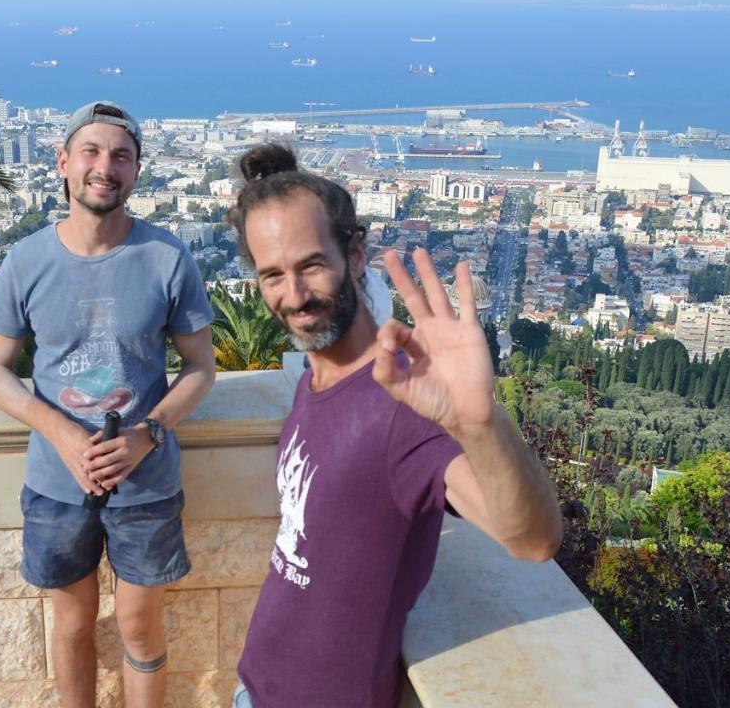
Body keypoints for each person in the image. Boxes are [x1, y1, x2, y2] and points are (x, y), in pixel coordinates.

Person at [228, 144, 562, 708]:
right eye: (272, 276)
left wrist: (478, 421)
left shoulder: (404, 405)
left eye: (311, 266)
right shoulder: (315, 382)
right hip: (255, 687)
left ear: (355, 256)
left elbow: (532, 540)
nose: (295, 296)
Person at [0, 100, 215, 708]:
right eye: (91, 151)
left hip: (146, 482)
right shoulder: (26, 261)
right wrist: (59, 432)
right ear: (63, 162)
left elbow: (200, 367)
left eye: (120, 156)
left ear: (136, 172)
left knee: (138, 623)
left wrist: (148, 434)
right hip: (56, 484)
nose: (104, 166)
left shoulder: (167, 258)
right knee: (74, 623)